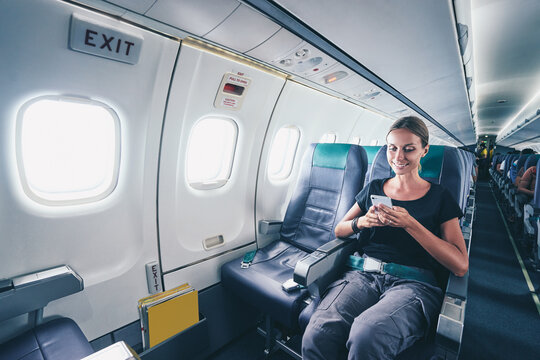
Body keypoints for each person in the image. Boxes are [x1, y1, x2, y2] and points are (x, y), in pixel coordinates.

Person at [302, 116, 469, 360]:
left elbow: (460, 265)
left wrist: (411, 224)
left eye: (409, 149)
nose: (398, 157)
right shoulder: (375, 187)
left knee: (366, 335)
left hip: (414, 284)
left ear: (424, 150)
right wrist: (362, 222)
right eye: (393, 148)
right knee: (317, 333)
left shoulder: (440, 197)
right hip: (362, 275)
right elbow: (340, 229)